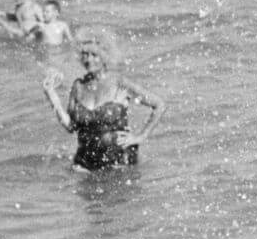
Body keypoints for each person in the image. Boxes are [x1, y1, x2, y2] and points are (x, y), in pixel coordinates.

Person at [40, 27, 166, 171]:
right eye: (85, 55)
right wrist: (51, 94)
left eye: (94, 55)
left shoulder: (119, 83)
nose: (88, 59)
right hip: (85, 164)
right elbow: (71, 126)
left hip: (120, 163)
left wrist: (140, 137)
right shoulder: (78, 86)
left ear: (105, 56)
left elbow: (159, 105)